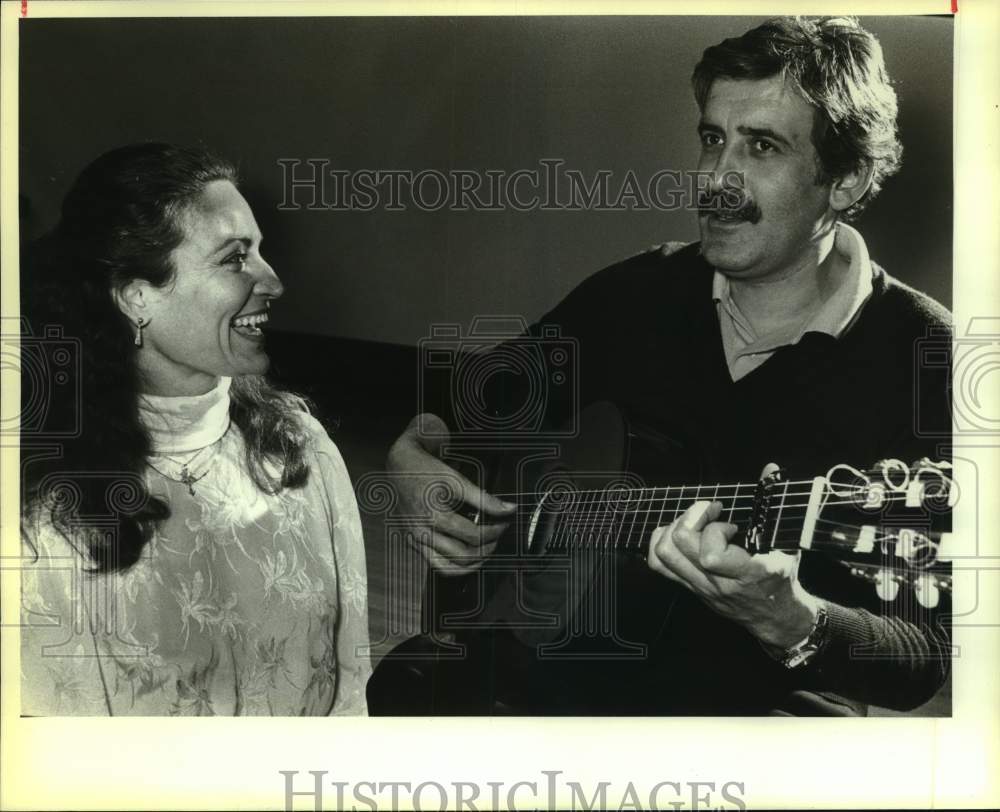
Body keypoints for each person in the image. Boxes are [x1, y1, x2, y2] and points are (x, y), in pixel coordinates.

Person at [376, 16, 953, 715]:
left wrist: (791, 620)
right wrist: (413, 456)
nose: (715, 179)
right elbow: (476, 402)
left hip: (752, 713)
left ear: (846, 178)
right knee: (412, 686)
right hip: (560, 665)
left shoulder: (927, 357)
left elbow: (920, 657)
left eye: (761, 147)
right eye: (713, 139)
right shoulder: (640, 290)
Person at [19, 143, 371, 716]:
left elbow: (351, 684)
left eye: (261, 252)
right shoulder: (50, 519)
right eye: (235, 258)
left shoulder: (301, 451)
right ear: (137, 298)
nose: (273, 281)